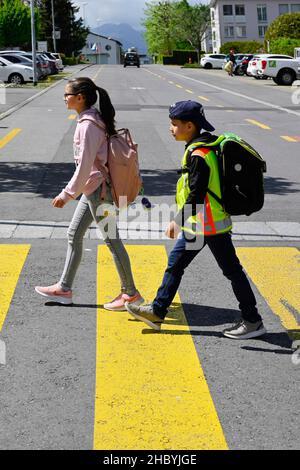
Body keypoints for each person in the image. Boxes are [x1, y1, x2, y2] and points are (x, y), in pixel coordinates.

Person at [125, 100, 266, 340]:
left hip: (208, 225)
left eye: (174, 124)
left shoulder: (199, 153)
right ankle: (157, 311)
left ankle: (252, 320)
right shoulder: (201, 146)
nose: (171, 128)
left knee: (232, 271)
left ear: (189, 126)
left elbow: (196, 194)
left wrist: (176, 221)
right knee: (177, 264)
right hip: (200, 224)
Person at [35, 77, 143, 311]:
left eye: (67, 94)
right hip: (93, 189)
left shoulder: (87, 125)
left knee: (112, 241)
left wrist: (66, 194)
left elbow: (85, 166)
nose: (64, 98)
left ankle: (131, 294)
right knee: (74, 234)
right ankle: (64, 288)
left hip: (98, 191)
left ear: (80, 97)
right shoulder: (91, 119)